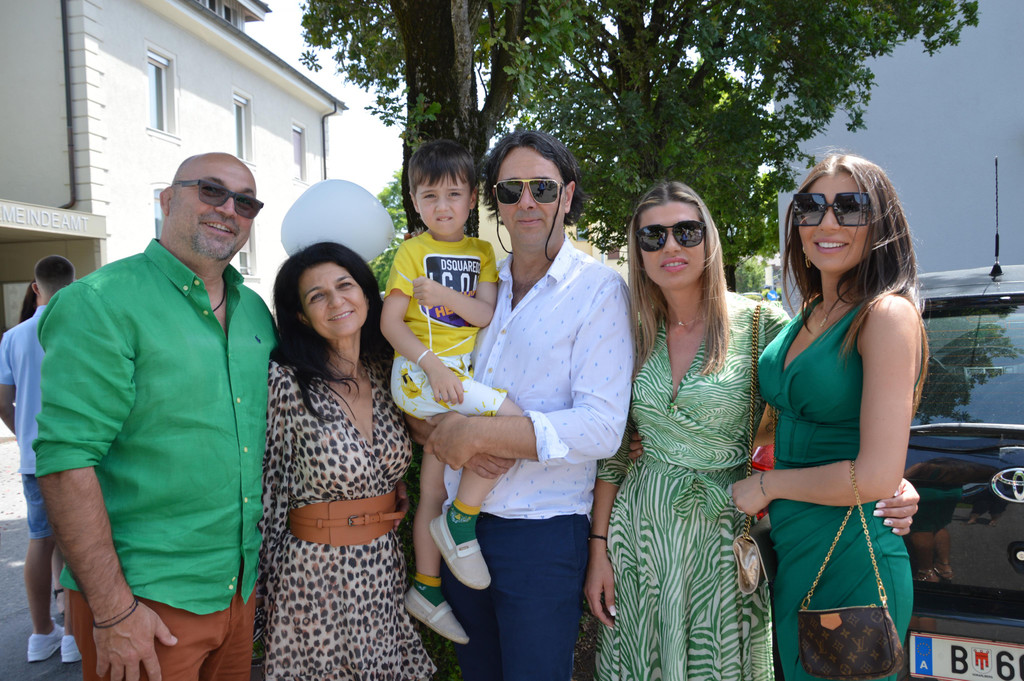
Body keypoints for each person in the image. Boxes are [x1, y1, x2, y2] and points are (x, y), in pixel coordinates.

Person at [34, 152, 276, 681]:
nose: (229, 209)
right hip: (142, 603)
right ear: (167, 200)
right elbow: (65, 462)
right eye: (211, 190)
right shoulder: (100, 302)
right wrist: (113, 610)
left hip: (236, 592)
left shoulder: (255, 312)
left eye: (246, 202)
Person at [411, 130, 633, 681]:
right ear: (495, 202)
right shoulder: (479, 285)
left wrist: (480, 437)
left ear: (568, 195)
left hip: (542, 535)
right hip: (457, 528)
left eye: (543, 188)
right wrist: (435, 428)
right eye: (511, 190)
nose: (527, 202)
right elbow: (431, 376)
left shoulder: (600, 290)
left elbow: (601, 427)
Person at [585, 181, 790, 681]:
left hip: (722, 536)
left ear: (708, 238)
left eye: (686, 232)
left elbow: (808, 421)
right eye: (652, 236)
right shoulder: (631, 330)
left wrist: (885, 477)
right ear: (638, 251)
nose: (670, 246)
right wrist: (598, 549)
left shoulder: (762, 324)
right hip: (639, 540)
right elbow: (614, 453)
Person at [733, 153, 926, 681]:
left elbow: (877, 475)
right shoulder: (807, 315)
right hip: (795, 546)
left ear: (881, 223)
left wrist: (769, 485)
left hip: (852, 552)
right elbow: (775, 421)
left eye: (850, 207)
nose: (827, 222)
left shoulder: (885, 314)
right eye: (811, 207)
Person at [259, 241, 434, 680]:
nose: (336, 301)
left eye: (345, 286)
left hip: (383, 567)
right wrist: (261, 591)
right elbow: (267, 490)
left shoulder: (386, 371)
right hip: (315, 577)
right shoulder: (285, 381)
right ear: (301, 315)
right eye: (317, 295)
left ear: (366, 295)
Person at [380, 139, 523, 643]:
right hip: (421, 373)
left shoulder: (482, 253)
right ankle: (462, 520)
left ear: (473, 198)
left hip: (456, 374)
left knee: (434, 486)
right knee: (515, 421)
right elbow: (391, 323)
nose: (442, 206)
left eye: (454, 194)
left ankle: (426, 586)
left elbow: (483, 314)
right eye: (430, 196)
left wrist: (443, 295)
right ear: (415, 201)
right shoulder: (411, 251)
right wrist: (432, 366)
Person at [0, 256, 80, 664]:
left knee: (41, 540)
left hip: (34, 456)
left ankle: (41, 633)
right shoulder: (80, 330)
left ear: (36, 288)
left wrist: (24, 435)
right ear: (74, 285)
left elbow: (3, 401)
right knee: (78, 540)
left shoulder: (13, 337)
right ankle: (74, 636)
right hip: (77, 452)